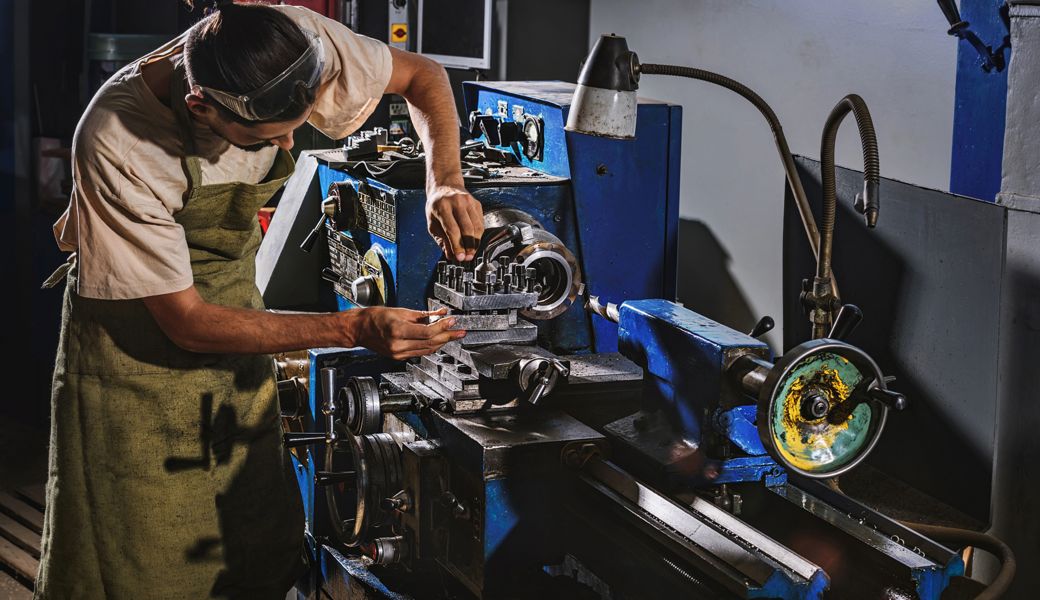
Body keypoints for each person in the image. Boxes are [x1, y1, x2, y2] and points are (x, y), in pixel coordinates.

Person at [36, 1, 484, 598]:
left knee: (254, 533)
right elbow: (189, 323)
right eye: (270, 137)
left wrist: (444, 179)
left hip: (232, 307)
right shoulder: (118, 139)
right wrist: (352, 329)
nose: (291, 142)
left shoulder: (298, 42)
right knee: (141, 551)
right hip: (135, 346)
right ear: (201, 105)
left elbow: (423, 76)